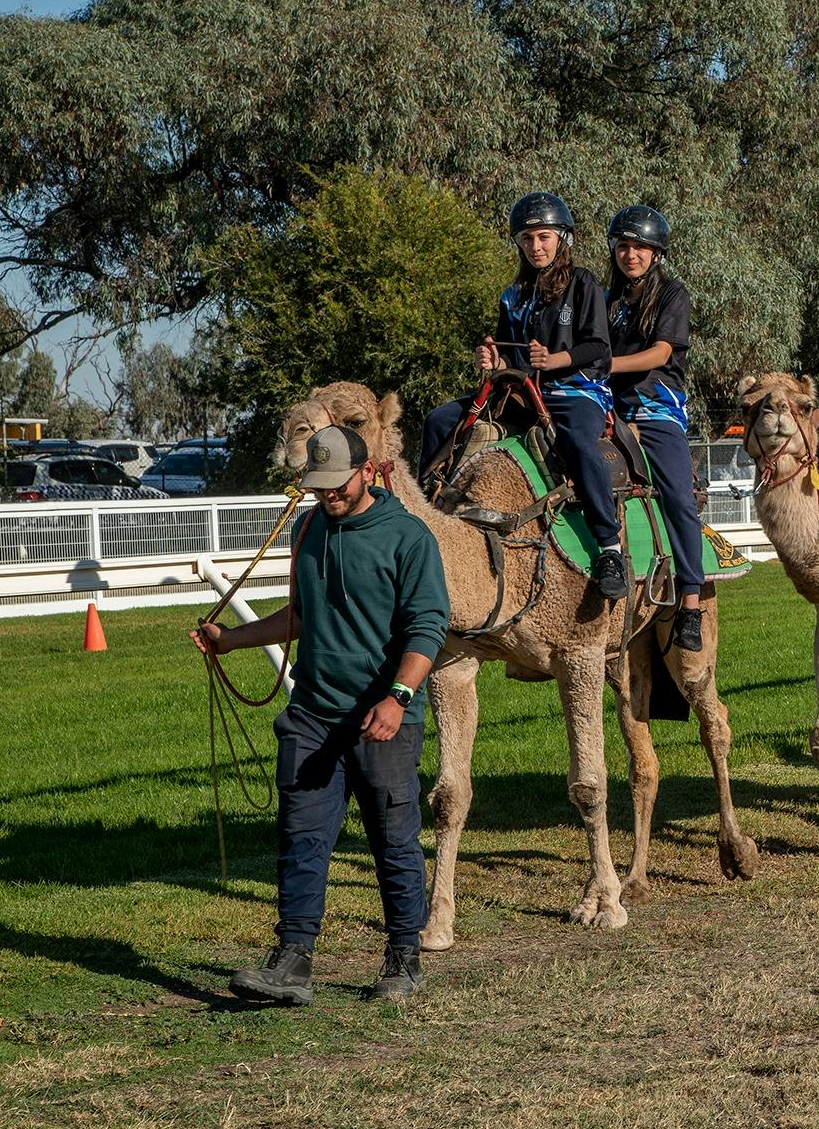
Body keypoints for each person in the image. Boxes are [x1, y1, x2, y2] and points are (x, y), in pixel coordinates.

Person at [193, 424, 450, 1006]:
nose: (328, 495)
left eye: (338, 485)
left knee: (394, 840)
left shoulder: (407, 537)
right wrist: (232, 640)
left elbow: (427, 627)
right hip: (311, 713)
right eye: (318, 486)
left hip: (383, 717)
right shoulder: (308, 530)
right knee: (301, 837)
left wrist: (399, 697)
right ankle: (292, 960)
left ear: (368, 473)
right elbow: (302, 614)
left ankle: (403, 958)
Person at [419, 193, 628, 599]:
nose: (536, 247)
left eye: (545, 237)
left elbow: (599, 348)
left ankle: (609, 547)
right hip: (518, 394)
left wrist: (554, 360)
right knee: (439, 420)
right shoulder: (512, 295)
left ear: (562, 239)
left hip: (574, 391)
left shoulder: (582, 283)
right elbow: (506, 353)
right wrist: (492, 360)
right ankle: (425, 518)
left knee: (581, 445)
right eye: (528, 239)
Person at [601, 204, 711, 648]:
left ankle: (690, 599)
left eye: (640, 248)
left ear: (656, 254)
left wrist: (604, 364)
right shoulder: (607, 301)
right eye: (624, 246)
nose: (631, 255)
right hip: (607, 401)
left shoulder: (672, 295)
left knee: (678, 497)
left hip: (654, 405)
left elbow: (661, 354)